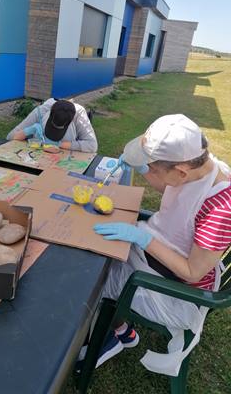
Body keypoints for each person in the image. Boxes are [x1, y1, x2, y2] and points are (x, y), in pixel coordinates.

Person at [90, 114, 231, 375]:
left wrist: (144, 238)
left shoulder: (221, 210)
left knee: (92, 279)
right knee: (98, 253)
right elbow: (172, 191)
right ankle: (122, 330)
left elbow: (192, 272)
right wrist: (143, 167)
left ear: (180, 170)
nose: (150, 173)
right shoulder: (198, 168)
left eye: (152, 168)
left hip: (177, 292)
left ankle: (111, 337)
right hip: (155, 261)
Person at [7, 99, 97, 153]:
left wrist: (58, 144)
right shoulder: (41, 111)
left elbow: (92, 145)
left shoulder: (78, 114)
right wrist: (30, 130)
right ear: (49, 115)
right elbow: (10, 137)